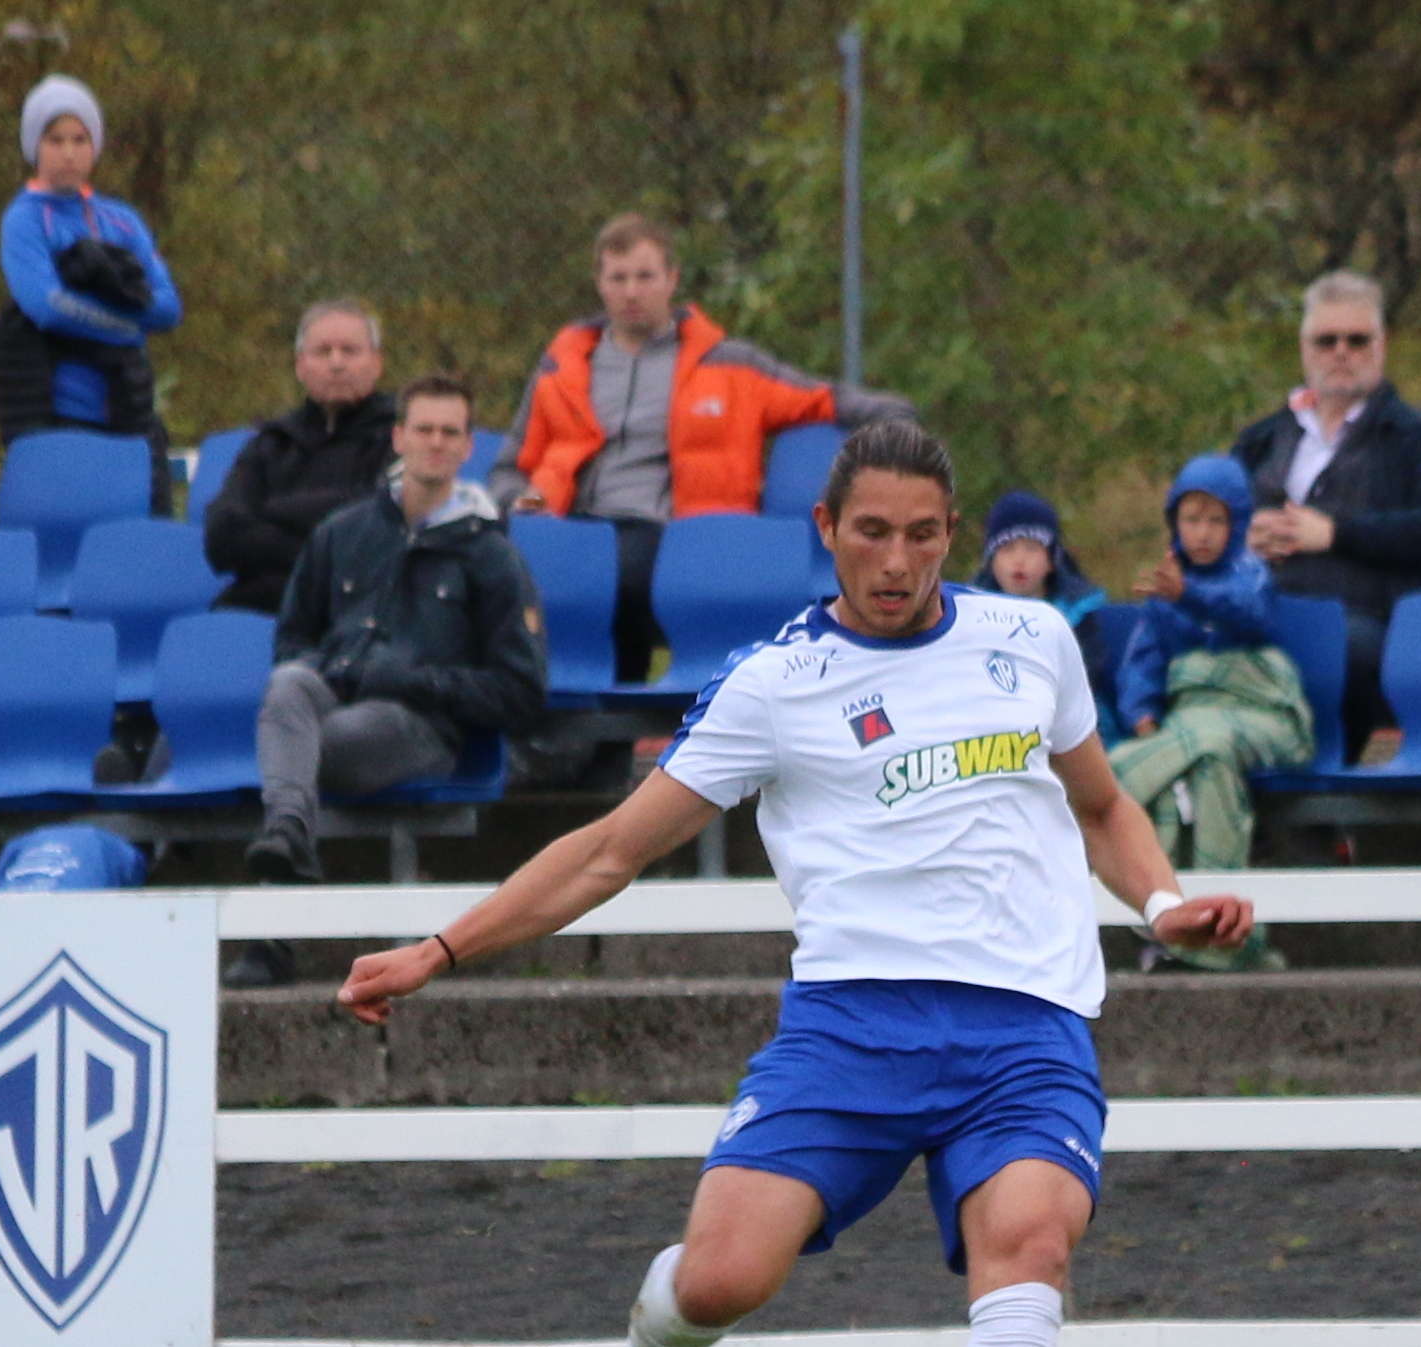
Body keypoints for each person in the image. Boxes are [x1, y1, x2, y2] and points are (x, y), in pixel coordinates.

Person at [336, 420, 1257, 1347]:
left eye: (922, 534)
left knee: (1031, 1249)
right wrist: (440, 948)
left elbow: (1100, 806)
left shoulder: (1031, 641)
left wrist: (1163, 902)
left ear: (952, 533)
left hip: (1026, 1027)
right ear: (827, 530)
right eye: (871, 532)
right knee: (722, 1277)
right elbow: (610, 852)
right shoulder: (776, 684)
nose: (897, 560)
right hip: (850, 1027)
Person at [491, 212, 908, 686]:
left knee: (614, 570)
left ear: (672, 279)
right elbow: (509, 470)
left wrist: (895, 420)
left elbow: (820, 399)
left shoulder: (729, 365)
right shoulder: (560, 369)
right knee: (503, 559)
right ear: (599, 284)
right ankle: (542, 710)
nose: (631, 291)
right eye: (618, 278)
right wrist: (527, 503)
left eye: (645, 276)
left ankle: (612, 702)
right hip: (573, 527)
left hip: (673, 537)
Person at [225, 375, 546, 988]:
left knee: (299, 750)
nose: (435, 442)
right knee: (288, 685)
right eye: (423, 429)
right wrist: (338, 665)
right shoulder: (343, 532)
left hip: (420, 727)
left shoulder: (492, 556)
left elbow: (521, 691)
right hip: (335, 698)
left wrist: (417, 681)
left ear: (467, 447)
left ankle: (274, 925)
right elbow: (292, 639)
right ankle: (288, 835)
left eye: (449, 432)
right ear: (398, 437)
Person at [1230, 271, 1421, 762]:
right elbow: (1205, 518)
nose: (1341, 352)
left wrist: (1336, 534)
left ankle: (1325, 771)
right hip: (1259, 605)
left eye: (1357, 340)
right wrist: (1240, 534)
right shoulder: (1261, 440)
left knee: (1342, 646)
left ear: (1381, 347)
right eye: (1326, 341)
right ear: (1305, 349)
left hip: (1366, 615)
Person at [1110, 454, 1312, 970]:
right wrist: (1142, 715)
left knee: (1199, 745)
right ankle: (1195, 934)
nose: (1202, 532)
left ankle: (1207, 938)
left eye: (1215, 520)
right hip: (1193, 722)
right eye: (1191, 519)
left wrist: (1189, 594)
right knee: (1195, 766)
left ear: (1237, 524)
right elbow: (1143, 662)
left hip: (1261, 710)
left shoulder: (1251, 574)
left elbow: (1248, 616)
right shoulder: (1165, 592)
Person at [0, 75, 182, 513]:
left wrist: (108, 312)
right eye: (55, 139)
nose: (69, 152)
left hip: (129, 408)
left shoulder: (122, 220)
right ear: (35, 146)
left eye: (80, 139)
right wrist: (127, 325)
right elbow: (46, 306)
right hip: (59, 412)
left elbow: (168, 307)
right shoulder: (25, 220)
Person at [204, 301, 397, 613]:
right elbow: (222, 538)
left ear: (377, 363)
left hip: (360, 607)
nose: (337, 363)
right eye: (323, 351)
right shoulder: (272, 442)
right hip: (263, 606)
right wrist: (321, 546)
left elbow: (374, 528)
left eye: (350, 351)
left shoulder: (402, 436)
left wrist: (272, 511)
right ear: (300, 365)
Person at [969, 490, 1119, 740]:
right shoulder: (970, 621)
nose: (1019, 560)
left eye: (1031, 548)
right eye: (1007, 549)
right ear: (990, 562)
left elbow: (1087, 679)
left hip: (1080, 730)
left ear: (1052, 560)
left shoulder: (1080, 616)